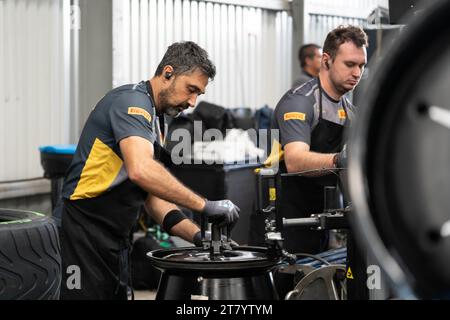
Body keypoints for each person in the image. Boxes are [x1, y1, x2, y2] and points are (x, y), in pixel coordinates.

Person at [56, 41, 240, 300]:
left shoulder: (157, 119)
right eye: (191, 89)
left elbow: (153, 199)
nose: (192, 101)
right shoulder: (132, 103)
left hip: (116, 238)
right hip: (81, 233)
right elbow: (141, 171)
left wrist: (200, 236)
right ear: (168, 73)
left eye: (199, 94)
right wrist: (205, 205)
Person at [272, 25, 368, 254]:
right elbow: (295, 160)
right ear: (326, 60)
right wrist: (339, 160)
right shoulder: (300, 102)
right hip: (285, 221)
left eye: (362, 65)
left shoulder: (350, 112)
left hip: (322, 220)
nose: (357, 73)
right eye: (350, 64)